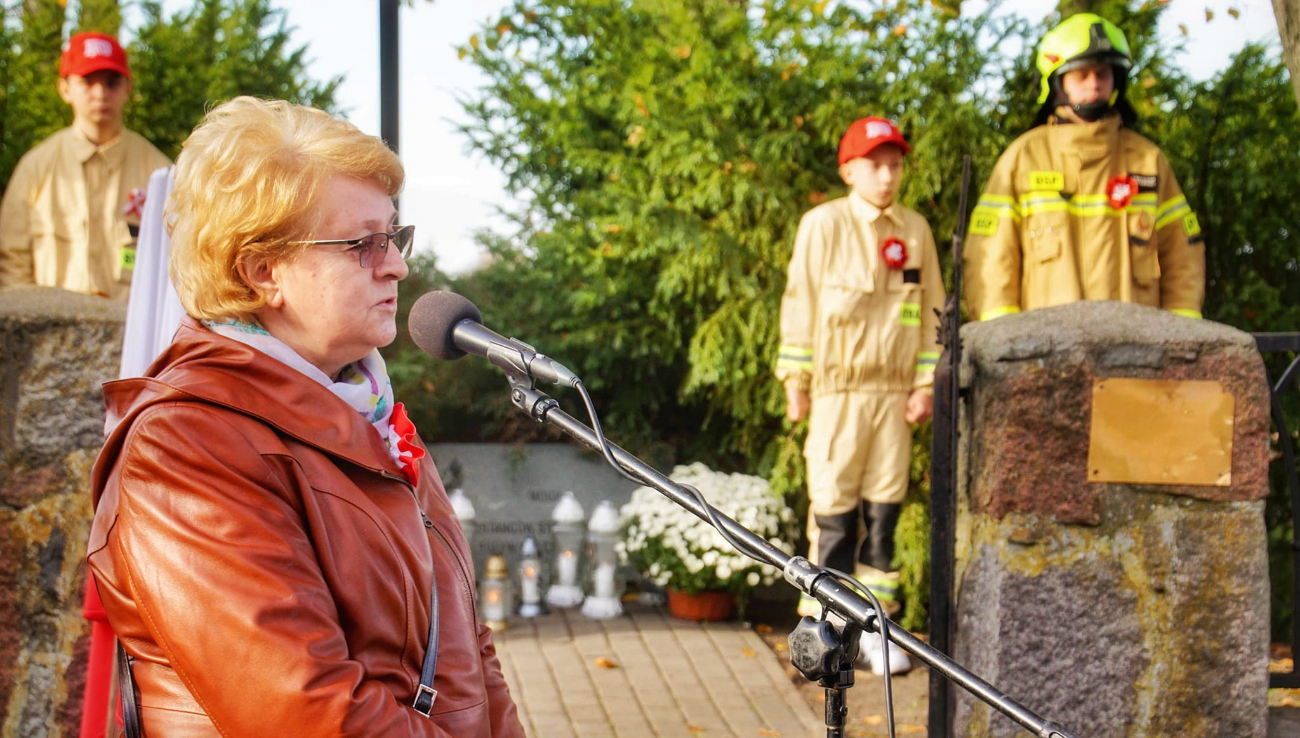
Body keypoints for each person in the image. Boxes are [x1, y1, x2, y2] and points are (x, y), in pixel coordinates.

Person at [86, 97, 525, 737]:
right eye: (364, 245)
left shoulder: (361, 406)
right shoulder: (185, 444)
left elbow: (467, 645)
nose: (398, 265)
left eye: (395, 236)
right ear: (263, 272)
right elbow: (312, 713)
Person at [776, 117, 945, 675]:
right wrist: (795, 383)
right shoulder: (822, 225)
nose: (887, 175)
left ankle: (878, 629)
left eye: (896, 164)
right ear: (849, 169)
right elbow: (800, 302)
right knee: (833, 515)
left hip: (893, 398)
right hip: (838, 393)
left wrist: (925, 385)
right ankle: (821, 629)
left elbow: (931, 315)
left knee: (885, 514)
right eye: (875, 164)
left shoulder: (915, 229)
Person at [964, 12, 1205, 322]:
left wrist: (1181, 338)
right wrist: (1003, 345)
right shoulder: (1023, 159)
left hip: (1136, 355)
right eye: (1082, 74)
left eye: (1103, 74)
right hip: (1046, 355)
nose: (1094, 84)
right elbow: (991, 262)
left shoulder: (1148, 161)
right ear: (1056, 81)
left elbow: (1183, 259)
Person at [0, 31, 170, 300]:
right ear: (65, 88)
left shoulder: (160, 173)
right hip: (48, 330)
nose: (100, 93)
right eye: (88, 82)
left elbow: (180, 264)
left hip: (132, 333)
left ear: (128, 88)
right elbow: (11, 261)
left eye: (112, 83)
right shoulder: (35, 168)